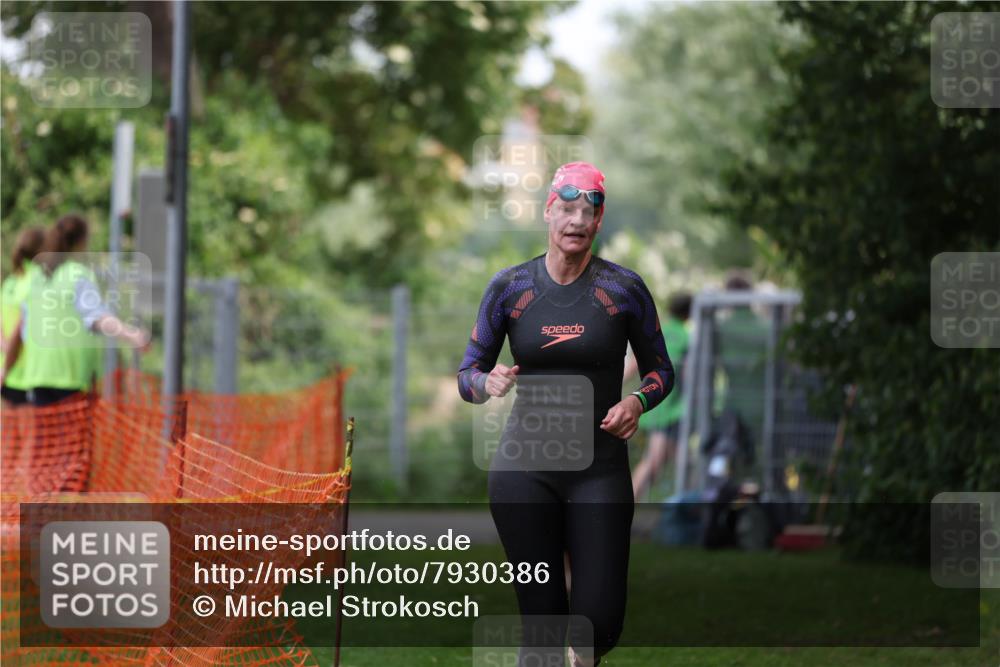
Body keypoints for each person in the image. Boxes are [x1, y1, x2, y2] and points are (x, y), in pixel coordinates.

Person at [457, 162, 674, 667]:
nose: (576, 220)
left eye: (588, 211)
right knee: (543, 619)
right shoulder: (509, 288)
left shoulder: (624, 289)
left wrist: (637, 401)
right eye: (567, 209)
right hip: (523, 469)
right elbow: (467, 373)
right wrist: (485, 383)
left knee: (599, 621)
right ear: (548, 212)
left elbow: (662, 370)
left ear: (599, 222)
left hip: (599, 469)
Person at [1, 214, 149, 492]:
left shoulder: (35, 277)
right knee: (73, 454)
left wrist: (5, 371)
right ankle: (64, 519)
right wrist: (132, 335)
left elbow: (20, 331)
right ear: (81, 242)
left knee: (43, 453)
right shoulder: (77, 275)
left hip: (38, 377)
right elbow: (97, 317)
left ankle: (40, 516)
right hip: (71, 379)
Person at [625, 291, 692, 500]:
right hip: (672, 409)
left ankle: (684, 507)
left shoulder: (657, 330)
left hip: (654, 405)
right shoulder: (685, 337)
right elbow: (689, 374)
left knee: (682, 462)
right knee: (654, 463)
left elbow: (634, 364)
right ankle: (629, 503)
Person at [1, 226, 46, 406]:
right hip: (29, 372)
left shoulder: (11, 281)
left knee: (10, 433)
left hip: (7, 369)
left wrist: (4, 346)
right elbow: (21, 328)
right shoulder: (38, 280)